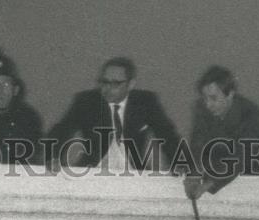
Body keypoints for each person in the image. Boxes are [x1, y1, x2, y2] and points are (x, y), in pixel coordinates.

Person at [47, 56, 180, 172]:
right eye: (104, 82)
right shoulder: (86, 102)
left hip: (134, 173)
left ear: (131, 84)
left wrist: (180, 164)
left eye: (116, 83)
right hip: (94, 172)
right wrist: (52, 157)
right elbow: (61, 130)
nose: (108, 88)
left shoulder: (145, 102)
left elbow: (167, 134)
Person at [185, 65, 259, 199]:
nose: (208, 104)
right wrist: (193, 174)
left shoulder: (251, 113)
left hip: (254, 182)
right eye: (205, 98)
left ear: (230, 94)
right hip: (216, 177)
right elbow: (197, 145)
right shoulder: (201, 109)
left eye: (213, 98)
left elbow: (241, 157)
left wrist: (208, 184)